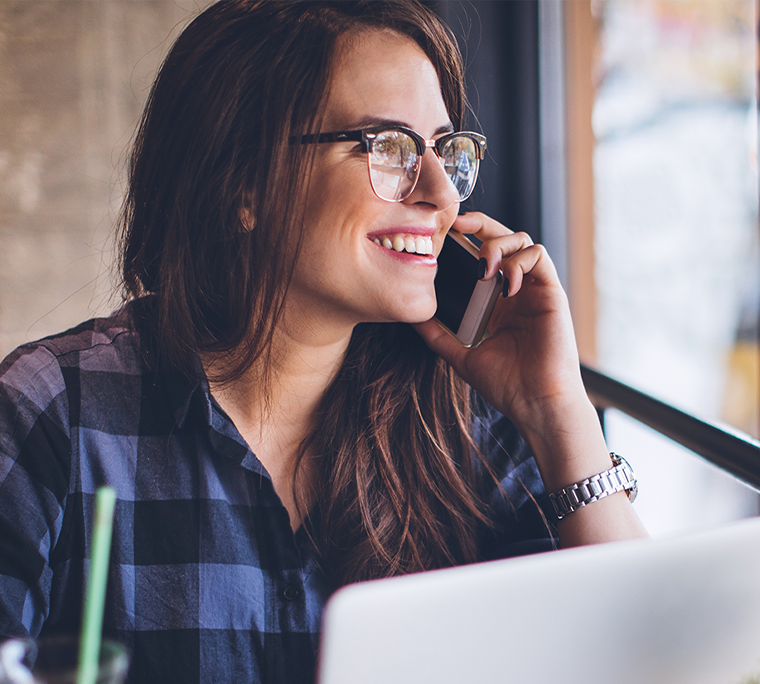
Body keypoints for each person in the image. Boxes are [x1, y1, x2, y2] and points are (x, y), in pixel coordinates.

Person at [0, 1, 647, 682]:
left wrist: (557, 412)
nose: (439, 194)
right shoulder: (52, 415)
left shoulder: (467, 427)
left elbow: (649, 663)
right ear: (243, 184)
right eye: (390, 148)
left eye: (445, 150)